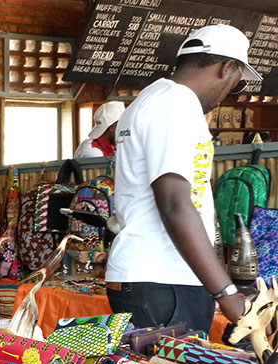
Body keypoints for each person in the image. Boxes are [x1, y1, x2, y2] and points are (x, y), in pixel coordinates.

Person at [105, 24, 260, 332]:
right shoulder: (176, 103)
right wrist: (225, 291)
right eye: (237, 82)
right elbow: (175, 202)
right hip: (163, 281)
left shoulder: (150, 98)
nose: (230, 92)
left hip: (151, 276)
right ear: (227, 66)